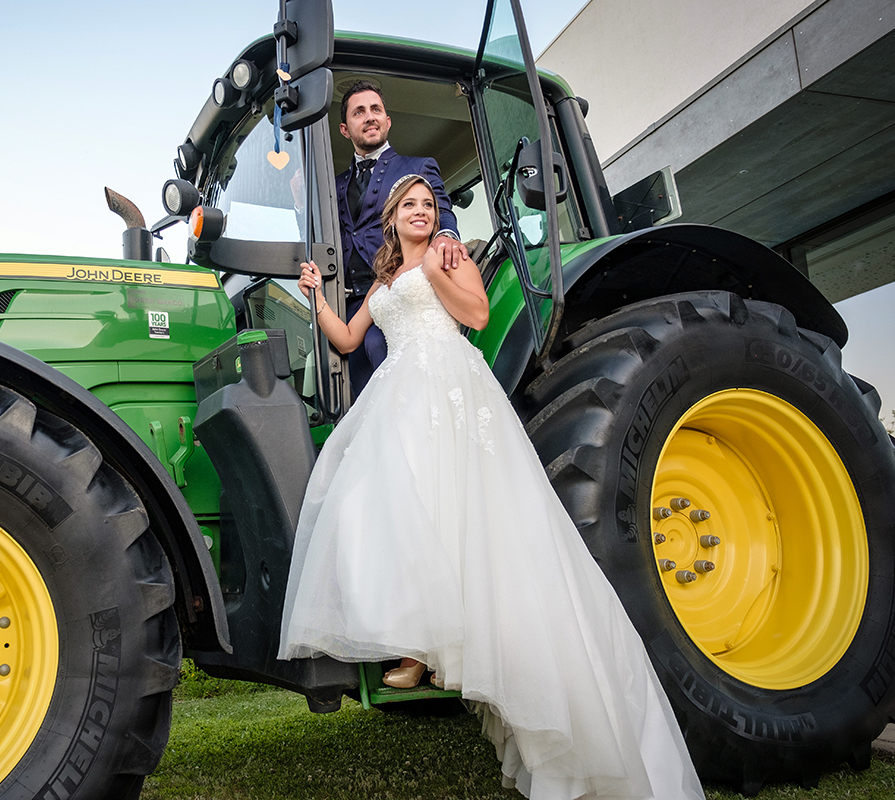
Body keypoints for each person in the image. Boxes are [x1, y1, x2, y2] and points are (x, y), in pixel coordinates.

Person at [278, 174, 705, 800]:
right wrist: (315, 298)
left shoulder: (450, 255)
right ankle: (419, 641)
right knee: (387, 511)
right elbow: (346, 339)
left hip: (448, 387)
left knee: (462, 515)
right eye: (411, 205)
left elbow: (474, 314)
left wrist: (442, 263)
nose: (421, 212)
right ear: (393, 217)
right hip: (397, 395)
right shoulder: (384, 280)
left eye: (429, 205)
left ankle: (442, 648)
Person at [335, 80, 469, 395]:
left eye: (375, 110)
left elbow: (443, 210)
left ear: (387, 120)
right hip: (350, 301)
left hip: (395, 289)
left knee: (382, 358)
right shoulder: (334, 183)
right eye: (359, 112)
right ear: (345, 129)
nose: (369, 117)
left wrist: (446, 236)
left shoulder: (417, 167)